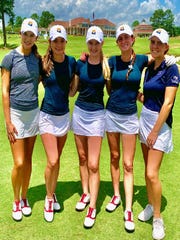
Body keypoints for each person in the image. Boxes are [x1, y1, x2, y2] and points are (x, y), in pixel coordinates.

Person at [138, 28, 179, 240]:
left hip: (159, 125)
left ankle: (157, 218)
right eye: (152, 41)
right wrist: (139, 96)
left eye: (158, 43)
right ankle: (150, 202)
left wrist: (154, 131)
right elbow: (151, 95)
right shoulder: (150, 66)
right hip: (144, 119)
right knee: (147, 171)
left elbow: (168, 103)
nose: (154, 45)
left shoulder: (171, 69)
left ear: (166, 47)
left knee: (152, 173)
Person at [70, 26, 110, 228]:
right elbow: (72, 92)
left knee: (93, 163)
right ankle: (85, 193)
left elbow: (112, 90)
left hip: (97, 116)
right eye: (91, 42)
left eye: (97, 43)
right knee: (83, 158)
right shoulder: (79, 64)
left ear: (102, 43)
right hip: (79, 113)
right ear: (87, 43)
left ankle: (92, 206)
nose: (93, 46)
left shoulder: (106, 65)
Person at [1, 18, 40, 221]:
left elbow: (42, 78)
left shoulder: (37, 59)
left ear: (35, 38)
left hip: (33, 114)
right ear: (20, 34)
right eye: (25, 34)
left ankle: (25, 197)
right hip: (16, 115)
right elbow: (5, 91)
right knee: (18, 162)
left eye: (31, 35)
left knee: (28, 161)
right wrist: (8, 122)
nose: (27, 38)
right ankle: (16, 200)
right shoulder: (9, 58)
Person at [39, 25, 76, 222]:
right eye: (56, 41)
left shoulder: (72, 62)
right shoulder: (43, 63)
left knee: (57, 160)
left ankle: (52, 193)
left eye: (62, 40)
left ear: (65, 42)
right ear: (50, 43)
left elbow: (74, 87)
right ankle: (48, 197)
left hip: (63, 117)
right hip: (46, 116)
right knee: (52, 160)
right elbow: (31, 81)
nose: (59, 44)